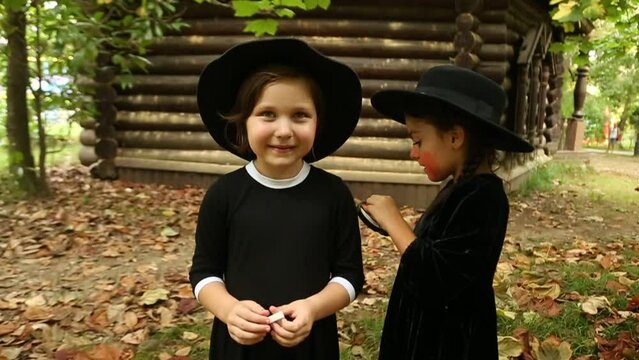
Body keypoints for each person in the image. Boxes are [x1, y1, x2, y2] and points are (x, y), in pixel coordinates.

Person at [189, 38, 364, 360]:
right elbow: (204, 272)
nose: (284, 130)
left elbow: (349, 275)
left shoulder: (333, 194)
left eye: (300, 115)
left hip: (311, 343)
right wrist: (229, 310)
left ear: (318, 123)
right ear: (243, 123)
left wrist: (312, 308)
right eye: (267, 114)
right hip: (240, 346)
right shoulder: (224, 195)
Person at [362, 65, 534, 360]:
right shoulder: (457, 188)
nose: (412, 152)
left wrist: (394, 221)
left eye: (418, 141)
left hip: (449, 344)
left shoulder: (485, 198)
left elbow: (436, 278)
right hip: (421, 333)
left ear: (455, 137)